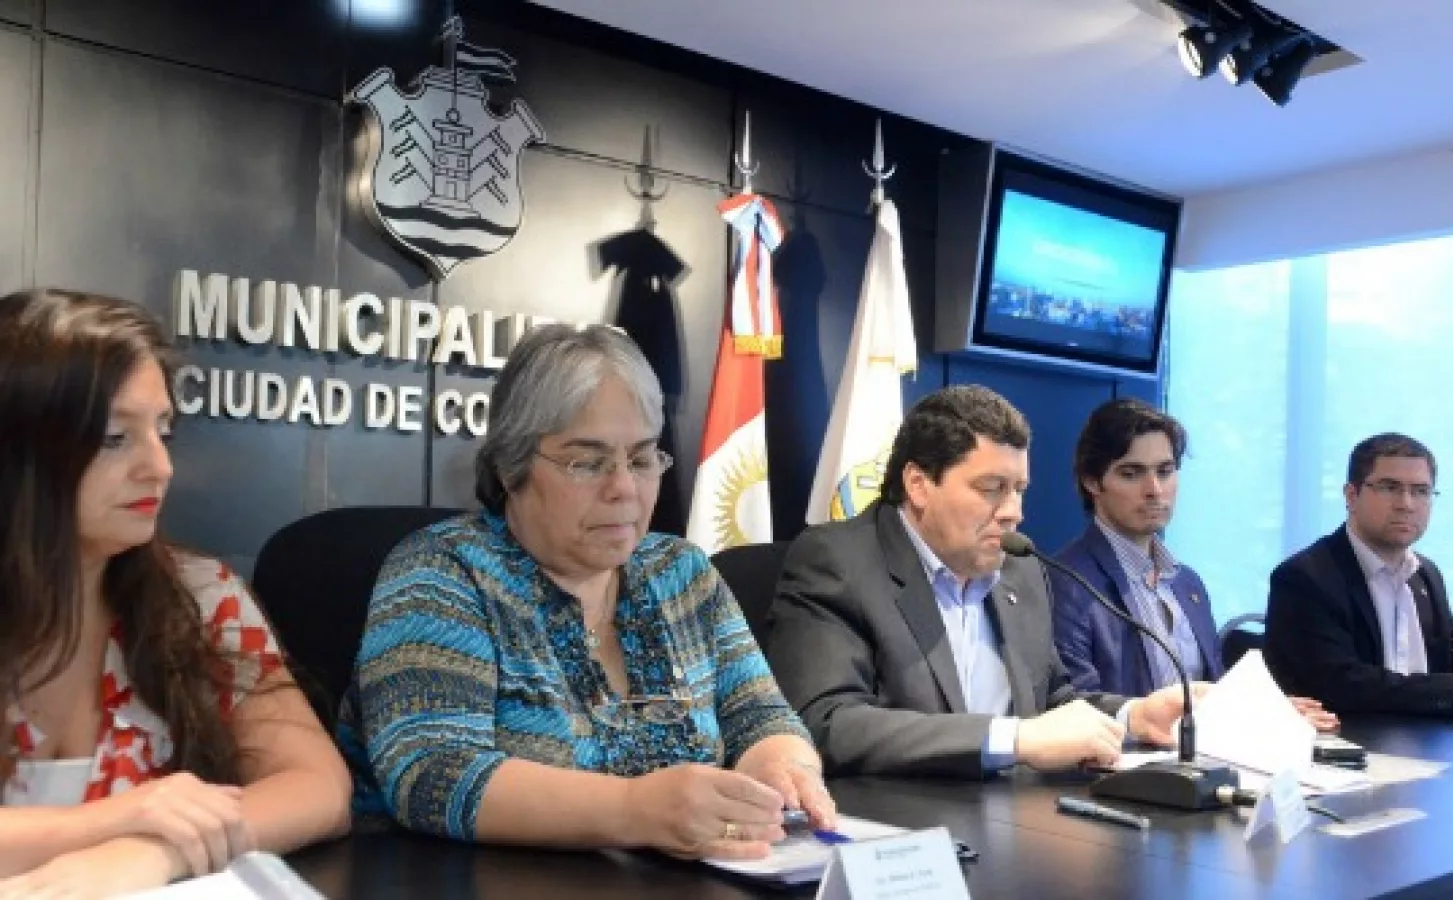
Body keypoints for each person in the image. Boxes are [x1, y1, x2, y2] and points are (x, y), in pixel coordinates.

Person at [338, 324, 832, 861]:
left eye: (641, 459)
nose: (623, 488)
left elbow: (759, 715)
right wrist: (636, 810)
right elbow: (431, 773)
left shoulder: (681, 572)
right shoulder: (443, 571)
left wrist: (784, 766)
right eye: (588, 463)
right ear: (510, 466)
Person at [0, 289, 351, 896]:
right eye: (115, 437)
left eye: (163, 431)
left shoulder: (200, 597)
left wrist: (154, 851)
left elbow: (319, 787)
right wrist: (121, 819)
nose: (160, 467)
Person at [765, 385, 1194, 780]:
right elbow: (828, 722)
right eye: (992, 489)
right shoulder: (839, 562)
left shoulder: (1021, 570)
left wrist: (1132, 717)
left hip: (1016, 818)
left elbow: (1051, 701)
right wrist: (1013, 739)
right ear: (918, 484)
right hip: (902, 820)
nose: (1013, 512)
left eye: (1019, 489)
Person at [1050, 399, 1337, 730]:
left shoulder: (1187, 583)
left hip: (1198, 754)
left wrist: (1262, 712)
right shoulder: (1065, 581)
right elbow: (1071, 704)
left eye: (1165, 471)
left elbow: (1210, 694)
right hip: (1121, 757)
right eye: (1131, 474)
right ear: (1091, 481)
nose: (1154, 490)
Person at [1263, 433, 1453, 716]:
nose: (1406, 504)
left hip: (1425, 737)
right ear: (1351, 495)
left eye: (1420, 491)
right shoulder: (1306, 577)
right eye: (1389, 487)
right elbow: (1342, 686)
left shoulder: (1425, 574)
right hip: (1349, 740)